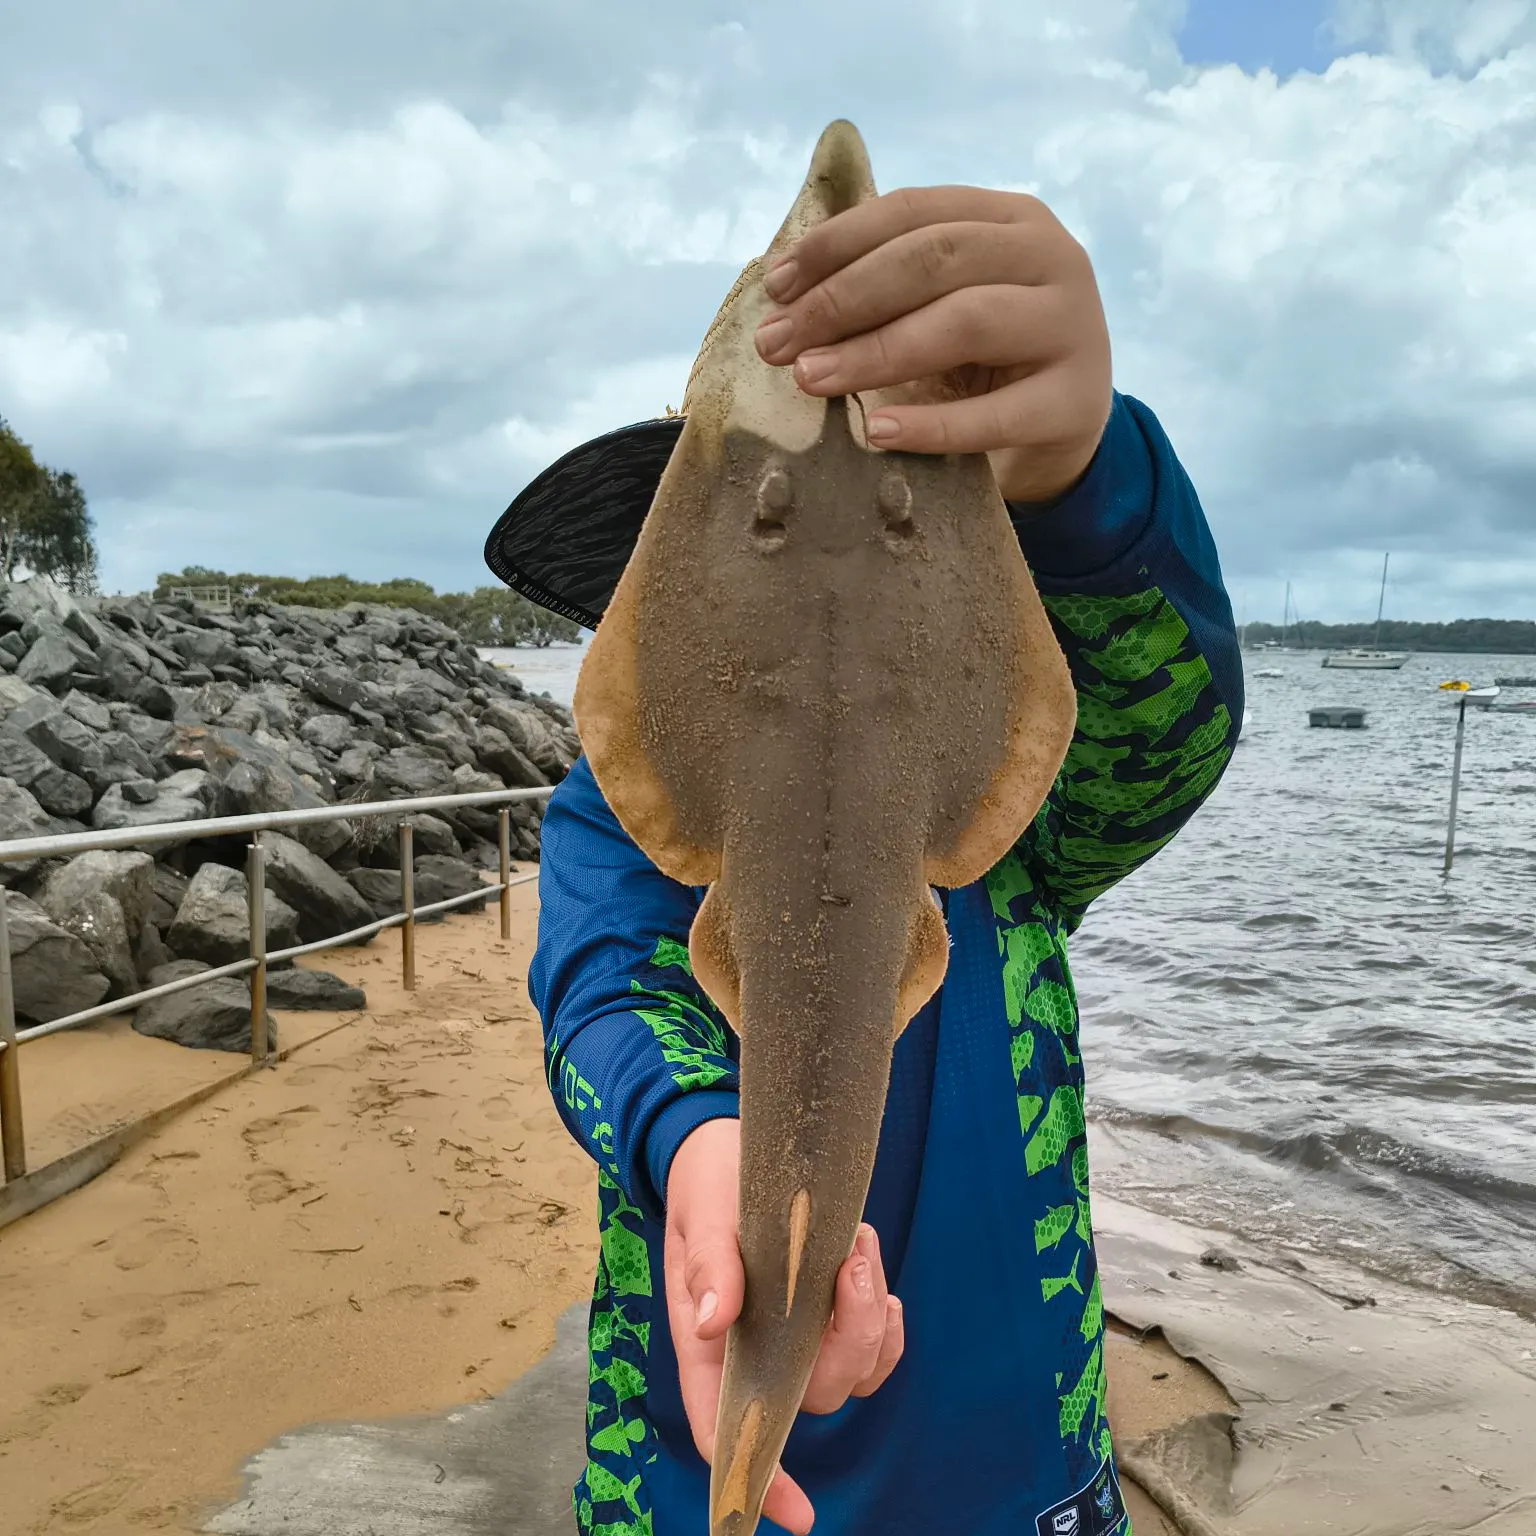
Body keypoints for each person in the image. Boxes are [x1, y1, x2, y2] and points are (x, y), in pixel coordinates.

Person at [495, 183, 1244, 1536]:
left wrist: (1087, 474)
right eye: (762, 524)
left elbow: (1160, 740)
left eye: (904, 525)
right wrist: (702, 1143)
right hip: (693, 1447)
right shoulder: (620, 805)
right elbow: (601, 992)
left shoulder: (1014, 827)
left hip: (1015, 1477)